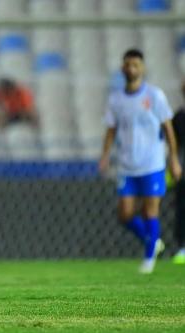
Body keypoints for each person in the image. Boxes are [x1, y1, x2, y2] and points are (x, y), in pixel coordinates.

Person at [99, 49, 182, 274]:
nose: (131, 68)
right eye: (127, 64)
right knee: (124, 214)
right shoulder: (116, 99)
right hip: (127, 165)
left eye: (135, 64)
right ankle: (152, 240)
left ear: (142, 68)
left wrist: (173, 159)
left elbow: (168, 128)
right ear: (122, 68)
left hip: (152, 164)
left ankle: (148, 260)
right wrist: (105, 155)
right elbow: (111, 129)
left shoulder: (155, 96)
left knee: (150, 211)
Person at [171, 80, 185, 264]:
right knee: (182, 209)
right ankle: (183, 247)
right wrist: (173, 163)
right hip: (184, 169)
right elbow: (174, 146)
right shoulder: (179, 118)